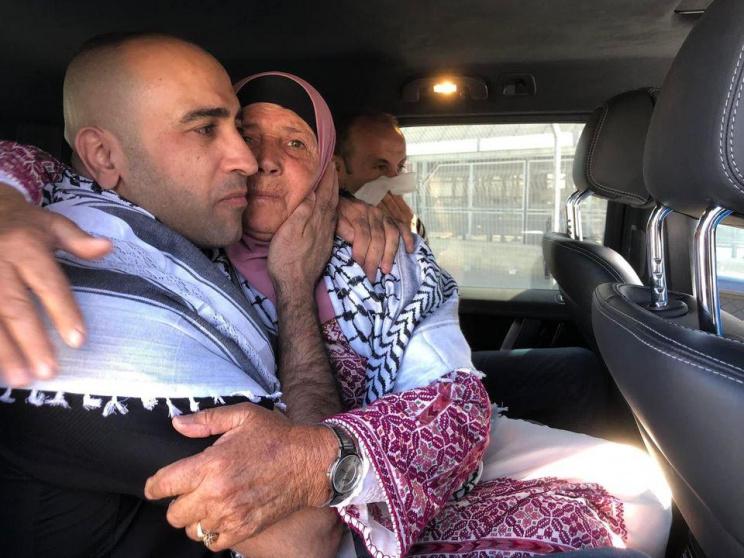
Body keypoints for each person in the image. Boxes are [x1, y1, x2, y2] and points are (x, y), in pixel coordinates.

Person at [147, 71, 671, 558]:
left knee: (640, 488)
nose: (265, 160)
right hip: (305, 505)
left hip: (412, 448)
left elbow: (452, 404)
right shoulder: (188, 269)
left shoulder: (386, 253)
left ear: (325, 169)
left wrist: (341, 208)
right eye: (248, 136)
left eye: (295, 143)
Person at [0, 33, 407, 558]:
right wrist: (293, 287)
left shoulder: (123, 225)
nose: (248, 160)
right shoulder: (98, 318)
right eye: (205, 128)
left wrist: (338, 201)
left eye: (235, 125)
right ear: (102, 155)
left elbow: (37, 162)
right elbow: (311, 534)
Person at [334, 111, 620, 438]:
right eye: (379, 167)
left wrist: (413, 237)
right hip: (405, 393)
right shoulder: (331, 234)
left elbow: (434, 296)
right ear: (339, 170)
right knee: (576, 375)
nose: (394, 181)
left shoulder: (401, 225)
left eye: (400, 167)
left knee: (578, 368)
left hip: (441, 370)